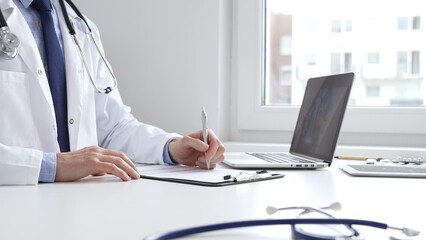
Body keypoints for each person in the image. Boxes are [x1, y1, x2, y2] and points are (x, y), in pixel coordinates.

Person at [0, 0, 225, 185]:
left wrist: (171, 148)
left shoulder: (80, 26)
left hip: (80, 205)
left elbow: (112, 128)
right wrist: (53, 166)